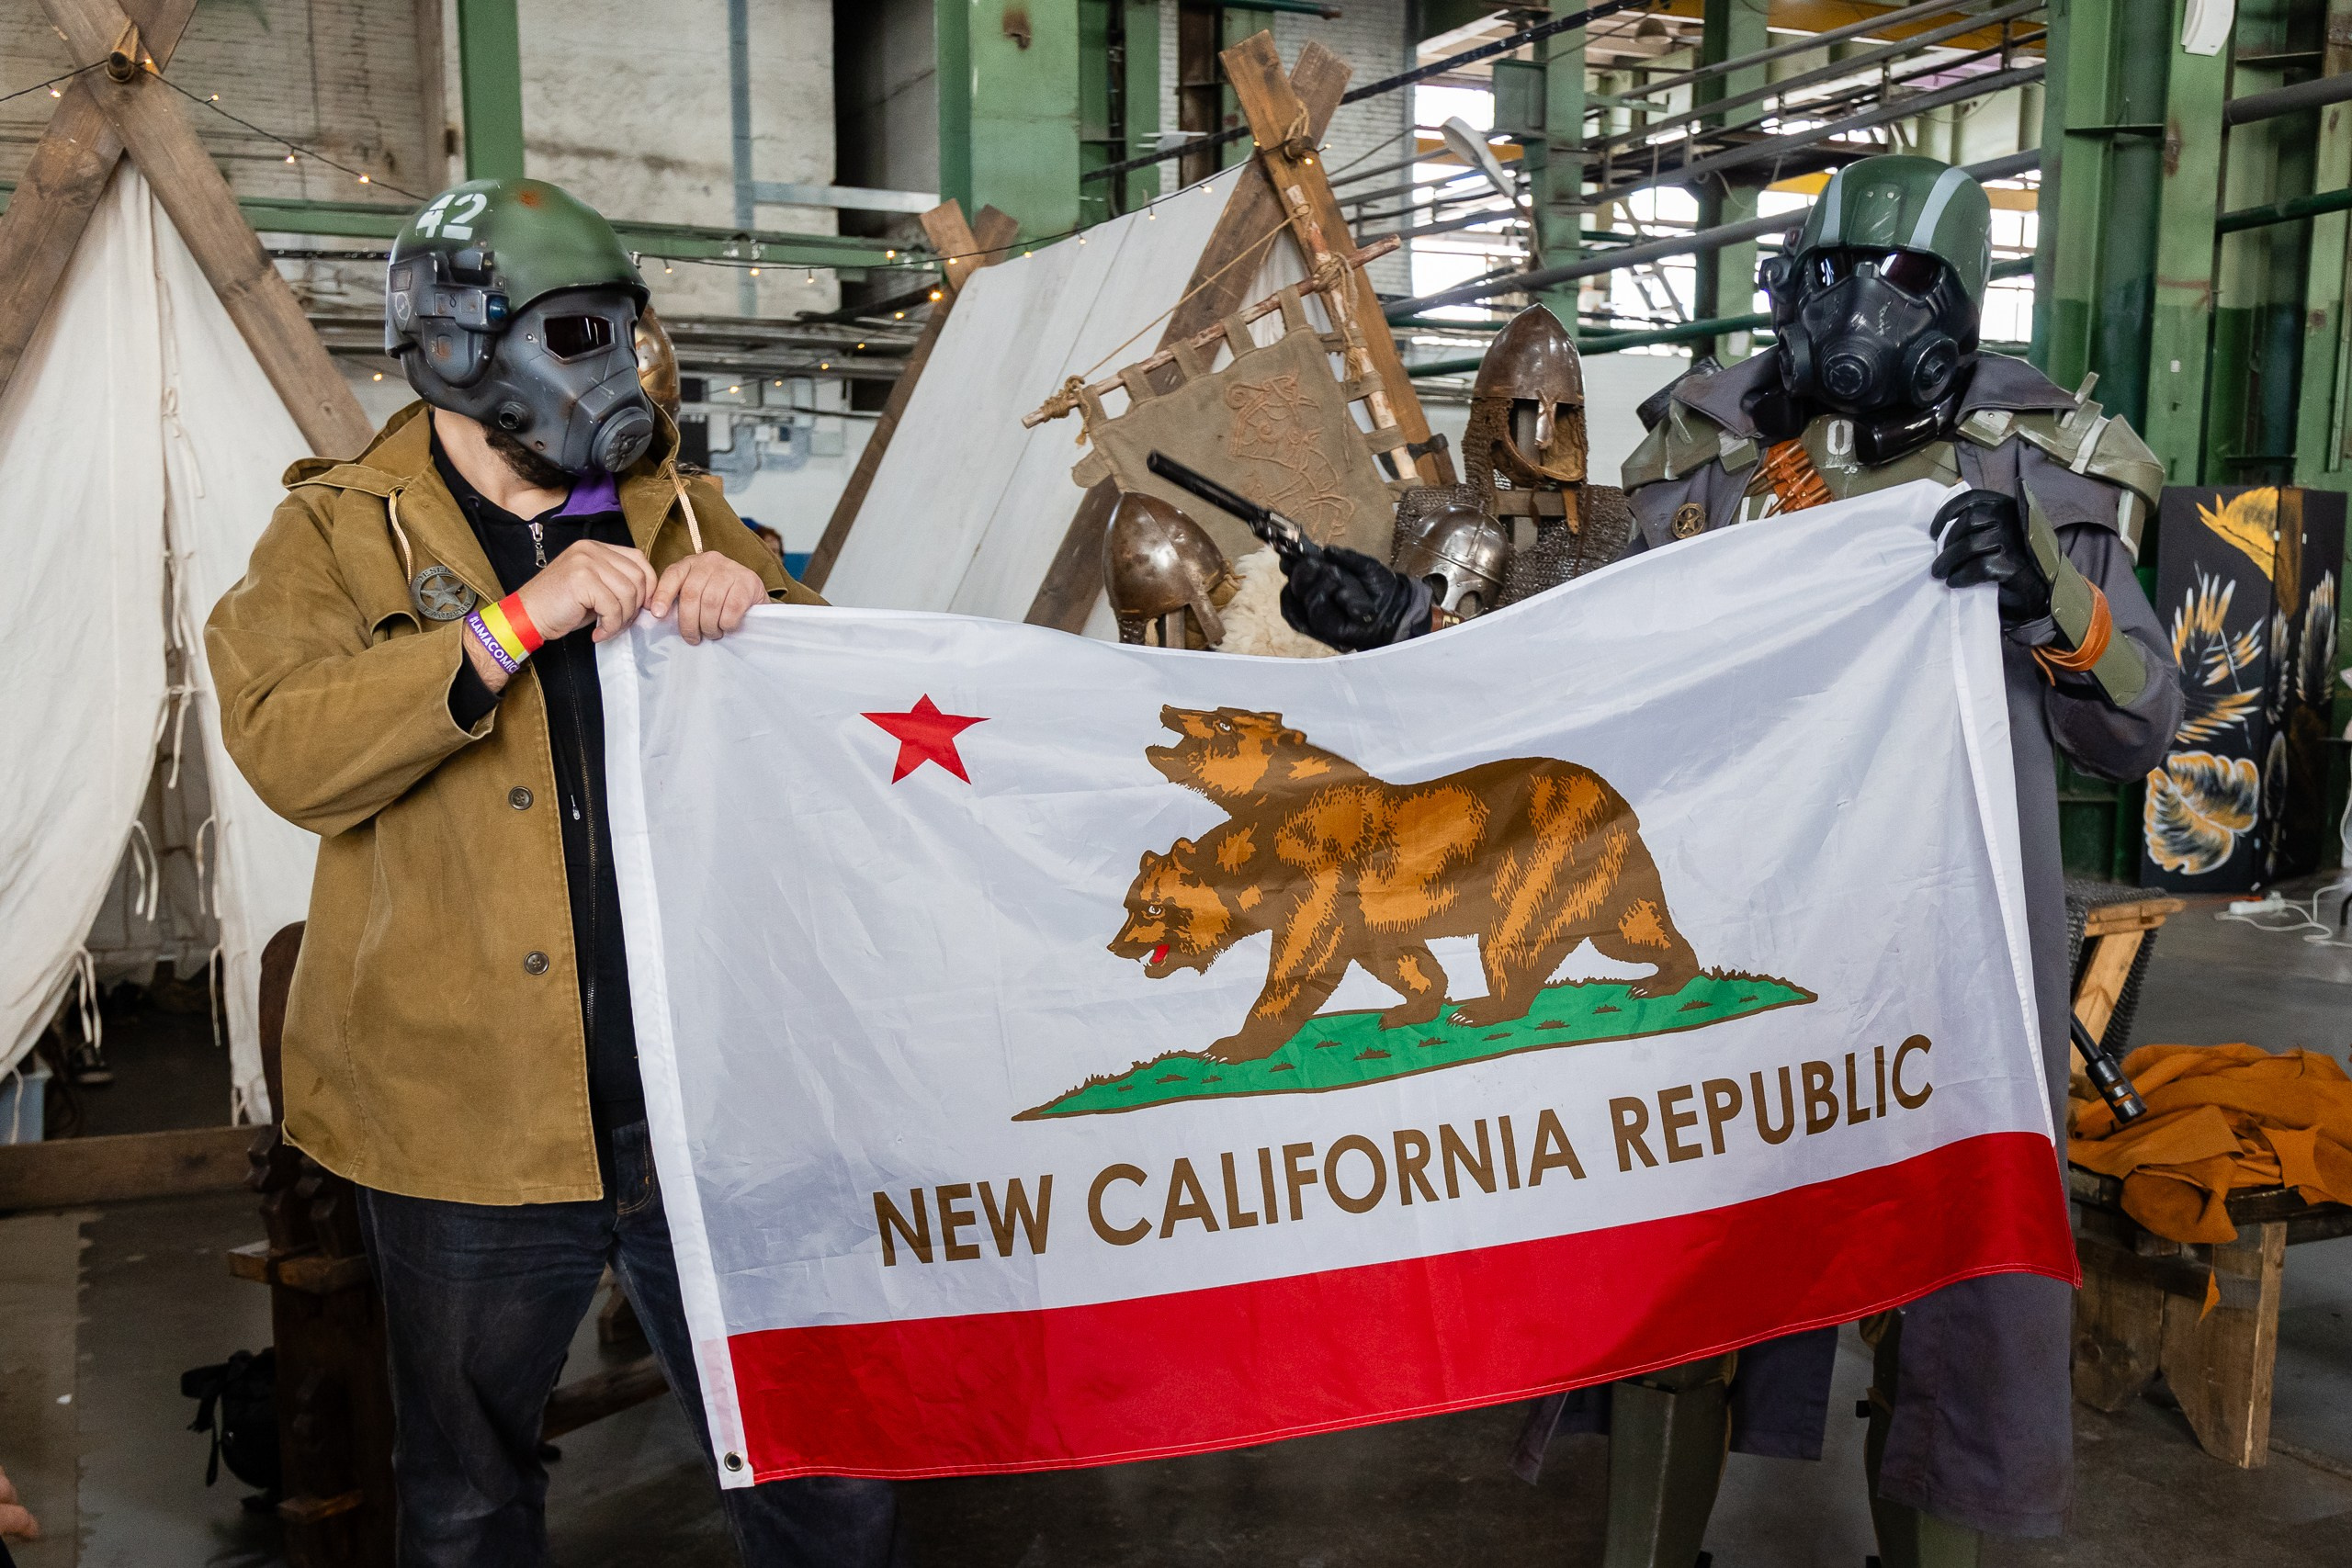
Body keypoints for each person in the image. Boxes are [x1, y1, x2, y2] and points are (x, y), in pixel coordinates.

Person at [1277, 155, 2183, 1566]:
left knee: (1957, 1296)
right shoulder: (1705, 463)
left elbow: (2138, 726)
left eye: (1892, 278)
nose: (1851, 309)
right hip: (1741, 927)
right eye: (1825, 276)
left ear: (1958, 297)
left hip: (1945, 950)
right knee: (1682, 1270)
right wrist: (1406, 625)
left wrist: (2050, 595)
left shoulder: (2042, 470)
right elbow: (1582, 665)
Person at [208, 177, 902, 1568]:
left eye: (622, 331)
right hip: (467, 1117)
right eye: (578, 333)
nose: (619, 369)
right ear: (459, 348)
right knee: (466, 1500)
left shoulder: (682, 511)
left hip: (706, 1094)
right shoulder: (336, 534)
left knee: (818, 1469)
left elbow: (840, 713)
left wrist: (765, 605)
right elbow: (286, 746)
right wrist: (505, 630)